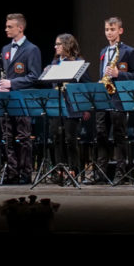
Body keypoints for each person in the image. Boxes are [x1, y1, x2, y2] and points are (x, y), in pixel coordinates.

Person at [92, 17, 134, 184]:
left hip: (119, 98)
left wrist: (118, 74)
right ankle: (101, 174)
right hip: (103, 97)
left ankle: (121, 173)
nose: (109, 33)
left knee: (119, 136)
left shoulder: (129, 51)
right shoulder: (103, 51)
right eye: (107, 29)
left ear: (120, 31)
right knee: (101, 135)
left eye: (112, 29)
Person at [0, 13, 42, 184]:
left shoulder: (31, 49)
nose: (6, 29)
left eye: (10, 26)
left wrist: (11, 83)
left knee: (23, 137)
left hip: (22, 99)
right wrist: (2, 85)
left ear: (20, 28)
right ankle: (12, 173)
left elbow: (34, 76)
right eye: (6, 26)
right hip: (7, 99)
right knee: (8, 137)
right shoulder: (5, 49)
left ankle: (25, 173)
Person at [43, 33, 87, 183]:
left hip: (71, 107)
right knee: (56, 138)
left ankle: (74, 170)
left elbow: (84, 84)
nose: (55, 47)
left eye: (58, 44)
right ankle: (59, 170)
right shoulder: (55, 63)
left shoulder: (78, 62)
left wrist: (85, 107)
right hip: (56, 106)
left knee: (70, 139)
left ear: (67, 45)